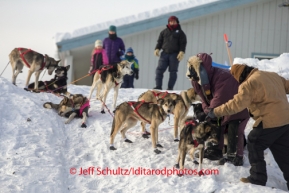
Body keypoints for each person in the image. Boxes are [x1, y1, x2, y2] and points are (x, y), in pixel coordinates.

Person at [207, 64, 289, 189]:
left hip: (270, 120)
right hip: (285, 121)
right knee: (283, 153)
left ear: (240, 77)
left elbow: (236, 104)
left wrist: (215, 112)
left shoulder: (250, 83)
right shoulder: (272, 76)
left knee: (254, 141)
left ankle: (257, 179)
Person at [188, 53, 249, 166]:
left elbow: (220, 98)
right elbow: (203, 98)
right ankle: (214, 150)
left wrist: (207, 112)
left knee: (234, 126)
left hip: (238, 107)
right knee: (213, 121)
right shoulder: (196, 80)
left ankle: (235, 156)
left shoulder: (223, 77)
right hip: (220, 108)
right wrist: (205, 110)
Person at [153, 16, 187, 90]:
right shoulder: (164, 32)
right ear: (168, 22)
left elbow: (183, 43)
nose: (172, 23)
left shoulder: (180, 33)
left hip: (174, 55)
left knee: (173, 72)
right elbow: (160, 41)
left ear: (177, 22)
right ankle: (158, 86)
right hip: (164, 54)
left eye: (174, 21)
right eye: (170, 21)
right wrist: (157, 49)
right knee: (159, 70)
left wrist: (181, 52)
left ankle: (170, 87)